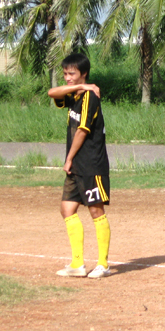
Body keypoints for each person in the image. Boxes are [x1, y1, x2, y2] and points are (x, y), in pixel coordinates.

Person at [48, 53, 111, 278]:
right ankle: (77, 264)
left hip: (91, 164)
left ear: (83, 73)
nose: (67, 78)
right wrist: (79, 86)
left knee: (95, 210)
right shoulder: (74, 94)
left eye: (72, 74)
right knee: (67, 209)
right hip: (76, 165)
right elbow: (52, 93)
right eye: (65, 73)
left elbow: (83, 131)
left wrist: (68, 158)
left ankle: (103, 264)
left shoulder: (90, 98)